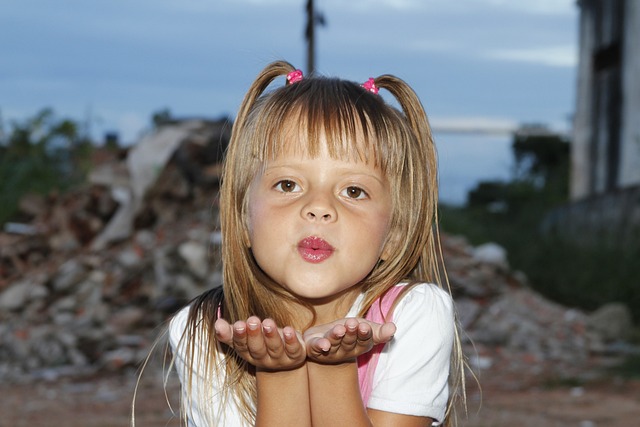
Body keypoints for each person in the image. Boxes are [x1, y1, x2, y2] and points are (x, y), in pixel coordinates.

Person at [167, 60, 465, 426]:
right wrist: (280, 373)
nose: (319, 208)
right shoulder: (202, 332)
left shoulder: (411, 316)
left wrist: (332, 366)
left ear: (395, 235)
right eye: (288, 185)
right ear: (244, 217)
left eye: (353, 191)